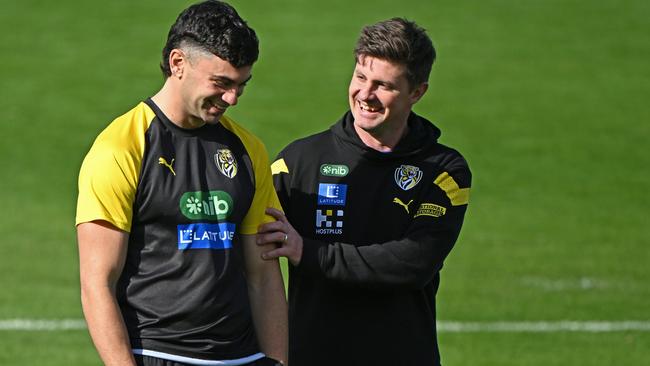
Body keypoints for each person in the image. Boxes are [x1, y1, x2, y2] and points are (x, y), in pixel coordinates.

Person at [75, 2, 287, 365]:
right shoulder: (122, 147)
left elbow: (263, 275)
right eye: (221, 83)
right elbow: (97, 284)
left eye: (240, 85)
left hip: (241, 357)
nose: (232, 98)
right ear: (178, 64)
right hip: (157, 353)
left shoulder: (248, 151)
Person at [257, 18, 471, 366]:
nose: (365, 95)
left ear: (417, 92)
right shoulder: (297, 162)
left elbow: (411, 263)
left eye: (383, 85)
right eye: (360, 77)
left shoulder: (444, 171)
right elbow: (244, 240)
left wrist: (308, 252)